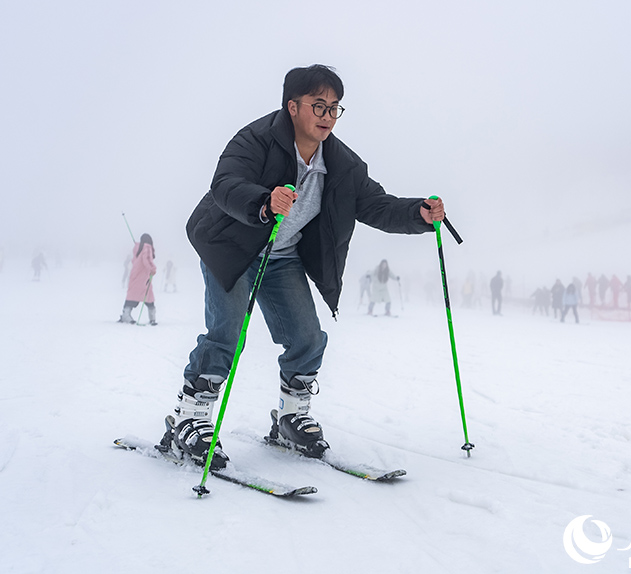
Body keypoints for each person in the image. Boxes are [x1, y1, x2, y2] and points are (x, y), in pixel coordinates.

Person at [157, 64, 445, 469]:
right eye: (318, 106)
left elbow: (375, 204)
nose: (327, 116)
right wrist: (263, 201)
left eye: (334, 108)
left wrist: (418, 213)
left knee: (308, 338)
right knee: (226, 333)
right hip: (232, 247)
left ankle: (290, 417)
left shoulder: (341, 164)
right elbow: (225, 183)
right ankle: (189, 421)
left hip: (282, 255)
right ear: (292, 107)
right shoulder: (255, 139)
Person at [118, 233, 157, 325]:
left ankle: (125, 315)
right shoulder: (147, 248)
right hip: (143, 278)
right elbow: (146, 260)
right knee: (148, 297)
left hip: (135, 276)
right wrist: (152, 269)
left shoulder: (138, 249)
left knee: (133, 296)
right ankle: (152, 318)